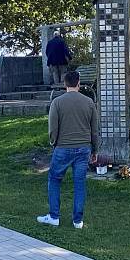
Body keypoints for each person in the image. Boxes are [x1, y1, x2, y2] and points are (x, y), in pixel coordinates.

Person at [37, 71, 98, 229]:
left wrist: (54, 143)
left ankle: (54, 216)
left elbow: (53, 128)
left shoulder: (57, 102)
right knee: (79, 183)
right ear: (79, 83)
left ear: (65, 84)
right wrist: (95, 150)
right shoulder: (89, 102)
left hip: (63, 147)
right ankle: (78, 221)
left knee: (54, 179)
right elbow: (94, 130)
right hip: (84, 148)